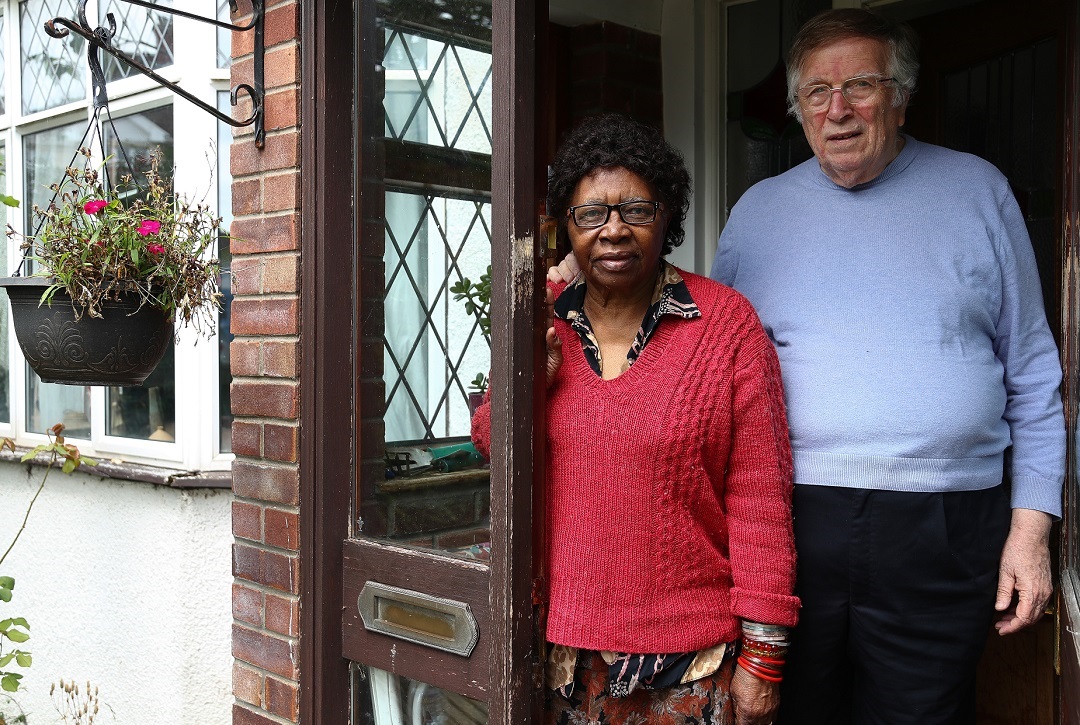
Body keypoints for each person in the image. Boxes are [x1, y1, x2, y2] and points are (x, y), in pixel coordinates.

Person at [711, 9, 1065, 724]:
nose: (837, 109)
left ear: (900, 95)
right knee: (789, 710)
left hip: (944, 523)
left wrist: (1031, 530)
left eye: (860, 86)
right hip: (789, 517)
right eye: (816, 92)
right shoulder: (757, 212)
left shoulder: (979, 191)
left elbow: (1032, 371)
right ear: (797, 109)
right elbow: (714, 371)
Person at [473, 113, 800, 725]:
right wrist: (533, 382)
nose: (614, 231)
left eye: (637, 211)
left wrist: (764, 658)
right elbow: (495, 447)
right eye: (591, 213)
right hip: (561, 656)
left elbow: (759, 501)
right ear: (567, 228)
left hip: (694, 661)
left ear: (667, 216)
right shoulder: (540, 324)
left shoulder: (726, 326)